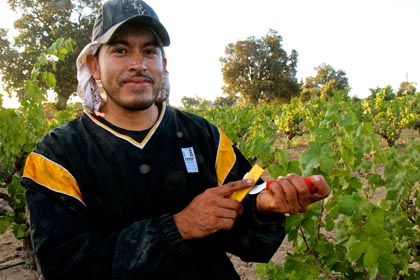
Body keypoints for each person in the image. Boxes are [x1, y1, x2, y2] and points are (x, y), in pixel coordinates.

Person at [22, 0, 330, 279]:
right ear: (93, 65)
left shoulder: (205, 136)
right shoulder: (56, 157)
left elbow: (251, 244)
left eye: (149, 51)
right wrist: (178, 228)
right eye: (120, 50)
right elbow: (65, 266)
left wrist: (265, 209)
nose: (138, 63)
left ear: (163, 65)